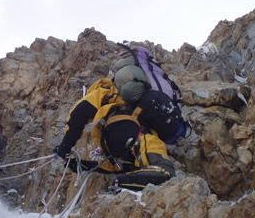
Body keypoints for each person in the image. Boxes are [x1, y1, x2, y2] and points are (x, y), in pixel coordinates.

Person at [53, 46, 182, 191]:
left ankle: (156, 169)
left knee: (135, 133)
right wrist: (82, 163)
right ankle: (157, 167)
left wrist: (65, 146)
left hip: (122, 135)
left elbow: (78, 114)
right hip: (135, 140)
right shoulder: (139, 98)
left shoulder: (105, 92)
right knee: (144, 136)